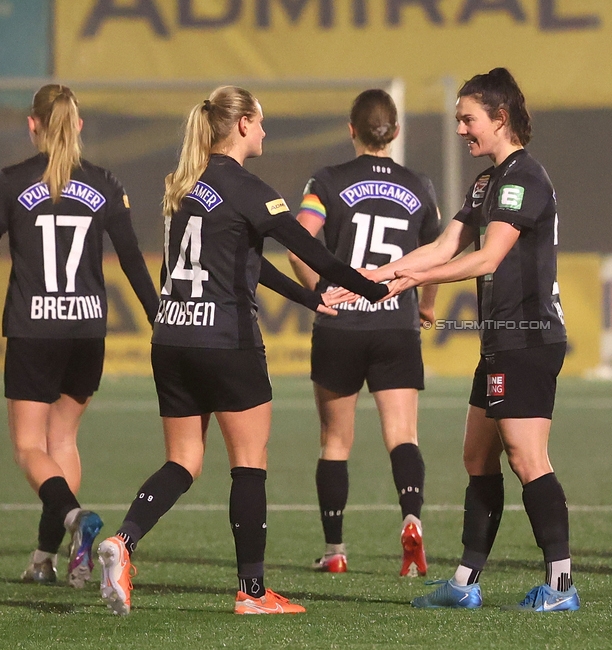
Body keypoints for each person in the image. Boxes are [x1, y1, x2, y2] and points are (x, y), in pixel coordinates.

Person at [95, 85, 388, 616]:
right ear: (245, 124)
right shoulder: (250, 188)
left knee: (183, 460)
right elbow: (314, 251)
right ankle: (252, 593)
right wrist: (377, 287)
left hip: (173, 336)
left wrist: (309, 298)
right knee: (249, 462)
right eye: (262, 122)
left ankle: (124, 541)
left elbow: (250, 261)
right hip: (226, 341)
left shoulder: (184, 188)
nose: (267, 132)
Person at [359, 68, 577, 611]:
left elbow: (486, 257)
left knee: (528, 460)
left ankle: (562, 587)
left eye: (468, 118)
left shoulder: (524, 176)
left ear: (500, 118)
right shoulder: (487, 181)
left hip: (528, 339)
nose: (460, 129)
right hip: (500, 341)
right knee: (477, 457)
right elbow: (442, 246)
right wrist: (378, 277)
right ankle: (464, 583)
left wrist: (414, 281)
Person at [0, 84, 158, 589]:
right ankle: (47, 558)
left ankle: (74, 520)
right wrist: (160, 318)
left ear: (33, 125)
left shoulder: (11, 183)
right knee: (63, 439)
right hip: (88, 330)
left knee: (29, 446)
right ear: (80, 125)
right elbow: (132, 260)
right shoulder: (105, 183)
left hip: (33, 328)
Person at [287, 89, 440, 577]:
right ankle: (411, 521)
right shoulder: (421, 186)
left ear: (350, 129)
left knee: (335, 441)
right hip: (395, 322)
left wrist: (321, 295)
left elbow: (297, 243)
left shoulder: (327, 181)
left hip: (342, 325)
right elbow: (434, 258)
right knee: (403, 435)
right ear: (394, 133)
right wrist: (427, 306)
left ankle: (334, 550)